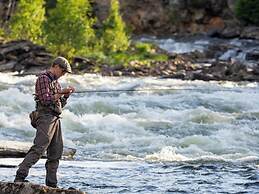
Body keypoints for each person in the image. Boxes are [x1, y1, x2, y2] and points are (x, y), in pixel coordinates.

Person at [14, 56, 75, 188]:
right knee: (38, 149)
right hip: (45, 118)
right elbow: (46, 100)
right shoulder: (43, 79)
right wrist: (60, 93)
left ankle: (52, 185)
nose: (63, 74)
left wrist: (65, 96)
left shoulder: (56, 83)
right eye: (63, 71)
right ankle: (19, 177)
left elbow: (59, 105)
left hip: (55, 119)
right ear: (56, 67)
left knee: (56, 152)